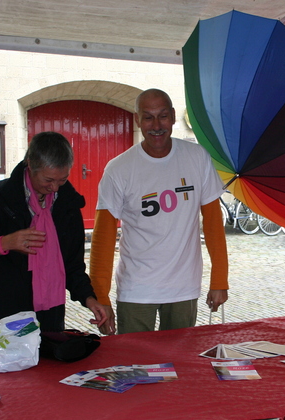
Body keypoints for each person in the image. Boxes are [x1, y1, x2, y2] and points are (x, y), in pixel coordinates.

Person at [89, 88, 229, 335]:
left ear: (174, 116)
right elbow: (103, 238)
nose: (156, 125)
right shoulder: (119, 169)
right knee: (134, 367)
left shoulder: (197, 158)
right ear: (137, 120)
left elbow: (214, 223)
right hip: (136, 289)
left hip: (183, 288)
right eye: (148, 117)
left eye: (163, 116)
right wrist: (101, 295)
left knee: (181, 365)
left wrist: (219, 280)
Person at [0, 131, 107, 337]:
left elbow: (72, 265)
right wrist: (3, 243)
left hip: (47, 318)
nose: (54, 188)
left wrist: (89, 298)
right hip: (0, 317)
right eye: (48, 180)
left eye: (62, 180)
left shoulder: (67, 205)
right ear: (30, 165)